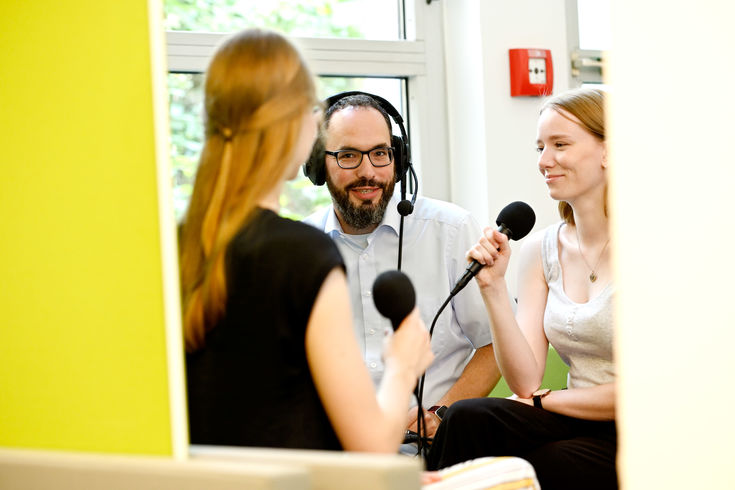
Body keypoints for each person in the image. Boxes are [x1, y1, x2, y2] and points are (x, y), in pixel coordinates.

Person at [180, 28, 434, 453]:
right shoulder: (304, 254)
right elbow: (371, 446)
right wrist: (402, 366)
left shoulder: (176, 245)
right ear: (301, 130)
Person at [426, 87, 617, 490]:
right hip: (572, 415)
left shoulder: (658, 251)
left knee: (549, 463)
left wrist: (546, 401)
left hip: (643, 425)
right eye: (540, 147)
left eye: (560, 145)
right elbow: (524, 382)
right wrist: (493, 288)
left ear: (609, 151)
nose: (545, 161)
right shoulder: (541, 249)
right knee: (466, 417)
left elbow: (646, 390)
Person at [303, 93, 501, 439]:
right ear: (320, 164)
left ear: (399, 158)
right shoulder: (302, 247)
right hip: (335, 449)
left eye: (380, 153)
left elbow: (494, 343)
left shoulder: (452, 232)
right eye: (348, 155)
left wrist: (442, 412)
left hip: (437, 446)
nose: (368, 172)